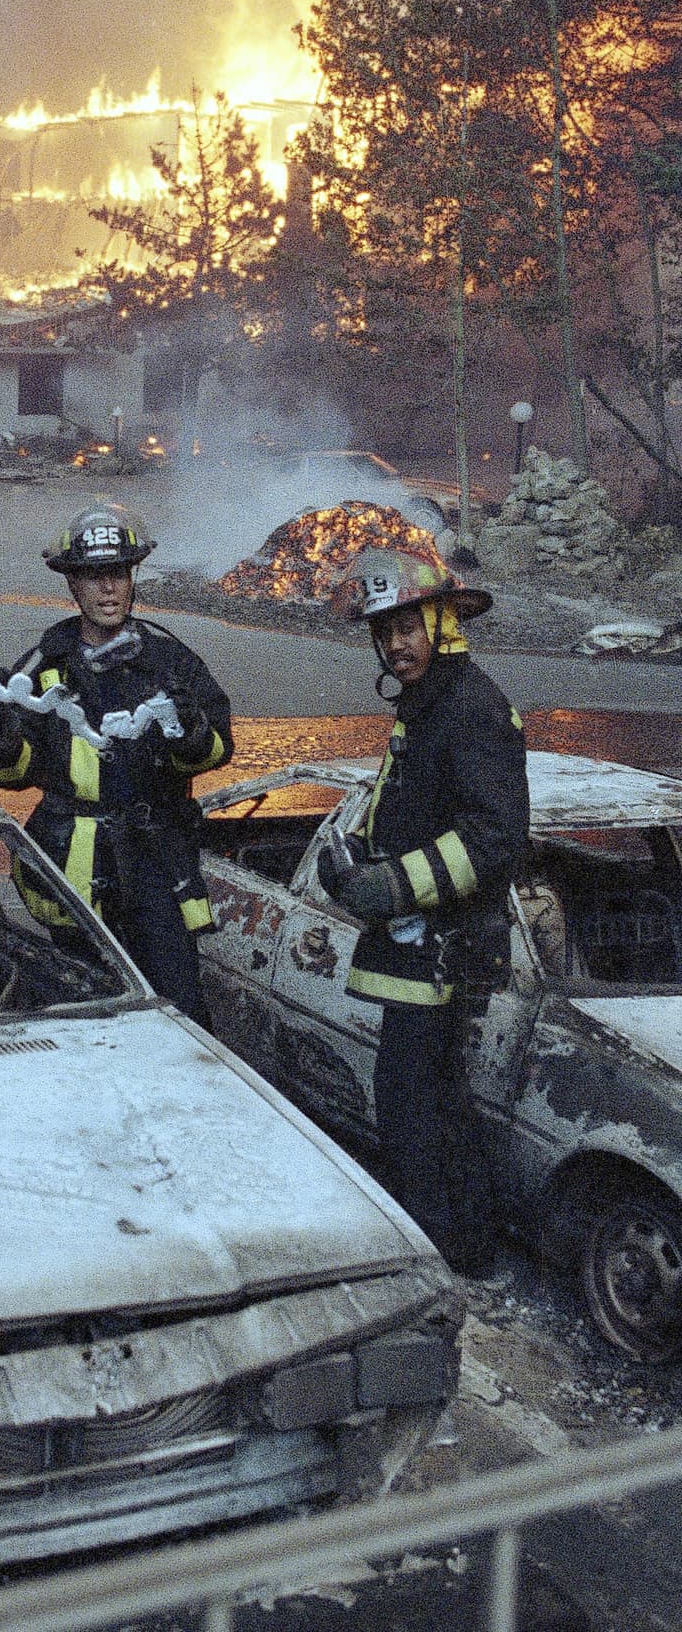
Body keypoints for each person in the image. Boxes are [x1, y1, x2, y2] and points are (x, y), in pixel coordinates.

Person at [317, 545, 529, 1274]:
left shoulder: (469, 707)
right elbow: (415, 810)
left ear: (442, 621)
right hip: (418, 952)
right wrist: (353, 854)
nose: (395, 643)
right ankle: (461, 1254)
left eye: (408, 625)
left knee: (417, 1116)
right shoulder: (431, 702)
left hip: (444, 954)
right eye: (384, 631)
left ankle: (442, 1262)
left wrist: (394, 886)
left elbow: (495, 837)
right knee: (428, 1110)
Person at [0, 501, 233, 1023]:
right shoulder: (44, 668)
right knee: (83, 1015)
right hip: (74, 872)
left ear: (133, 578)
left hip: (156, 863)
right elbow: (13, 775)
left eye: (118, 574)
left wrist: (192, 732)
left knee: (177, 1012)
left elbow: (218, 751)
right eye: (94, 577)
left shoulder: (171, 662)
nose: (108, 589)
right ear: (72, 585)